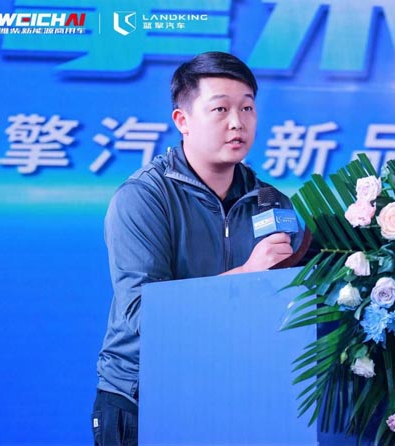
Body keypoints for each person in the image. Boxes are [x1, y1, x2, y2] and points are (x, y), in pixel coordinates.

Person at [91, 51, 304, 445]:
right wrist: (246, 276)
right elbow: (142, 313)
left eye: (247, 108)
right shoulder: (144, 197)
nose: (237, 122)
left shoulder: (272, 203)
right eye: (220, 109)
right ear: (182, 120)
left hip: (234, 392)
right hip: (144, 397)